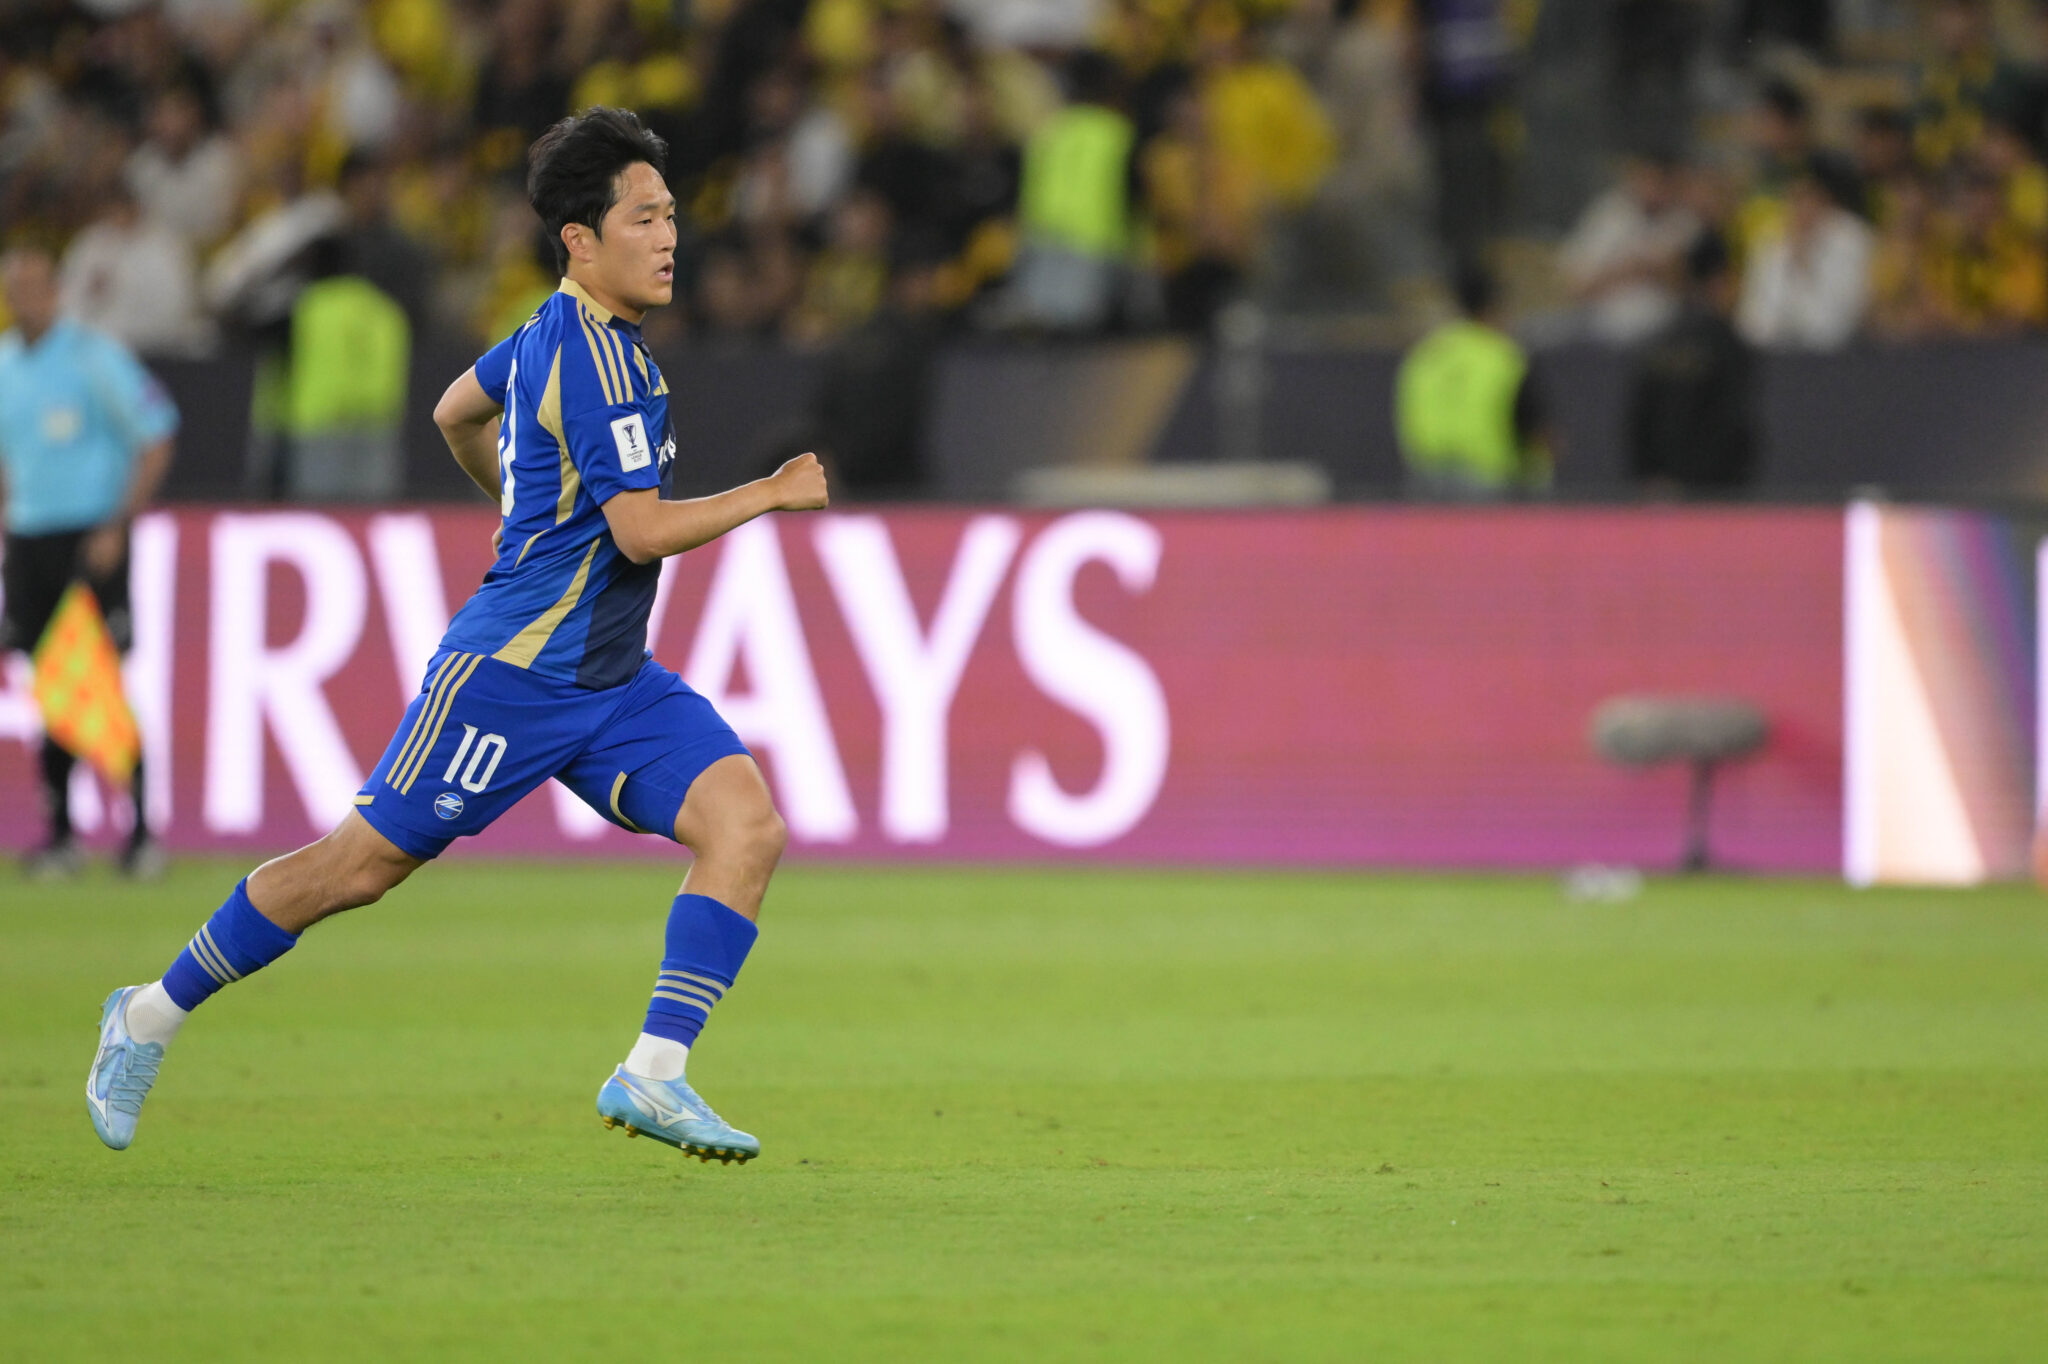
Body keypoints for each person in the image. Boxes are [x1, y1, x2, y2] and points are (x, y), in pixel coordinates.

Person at [84, 108, 830, 1163]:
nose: (670, 238)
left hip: (610, 679)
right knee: (353, 870)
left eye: (671, 215)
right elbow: (639, 530)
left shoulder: (547, 334)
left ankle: (654, 1073)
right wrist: (771, 490)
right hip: (512, 676)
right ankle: (146, 1013)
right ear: (579, 238)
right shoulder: (602, 365)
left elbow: (453, 412)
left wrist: (526, 518)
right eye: (645, 218)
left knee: (746, 826)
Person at [0, 243, 176, 880]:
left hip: (89, 540)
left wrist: (117, 523)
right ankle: (62, 837)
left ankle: (140, 833)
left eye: (35, 286)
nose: (26, 298)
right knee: (52, 689)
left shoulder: (94, 357)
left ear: (55, 290)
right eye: (15, 288)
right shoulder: (5, 364)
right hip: (29, 542)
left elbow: (157, 432)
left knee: (102, 680)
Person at [1394, 261, 1550, 498]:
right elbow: (1533, 425)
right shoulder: (1503, 357)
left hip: (1427, 483)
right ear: (1493, 308)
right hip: (1490, 484)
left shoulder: (1426, 354)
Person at [1627, 233, 1758, 495]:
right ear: (1720, 281)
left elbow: (1637, 420)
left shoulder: (1658, 338)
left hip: (1660, 492)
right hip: (1714, 495)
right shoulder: (1728, 345)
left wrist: (1651, 478)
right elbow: (1734, 423)